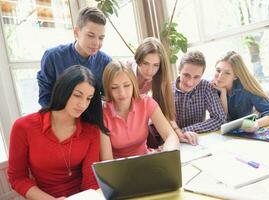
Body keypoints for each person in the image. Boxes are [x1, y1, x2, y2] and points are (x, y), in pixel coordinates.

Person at [8, 65, 108, 199]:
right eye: (77, 95)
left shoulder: (91, 130)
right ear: (63, 91)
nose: (83, 104)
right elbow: (17, 178)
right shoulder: (23, 126)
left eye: (88, 98)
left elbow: (89, 180)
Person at [101, 60, 179, 159]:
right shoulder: (102, 114)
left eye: (126, 85)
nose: (122, 93)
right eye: (114, 87)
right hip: (119, 169)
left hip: (147, 161)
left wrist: (168, 155)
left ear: (133, 84)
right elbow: (107, 161)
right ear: (107, 88)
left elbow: (170, 135)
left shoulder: (146, 102)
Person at [37, 6, 111, 108]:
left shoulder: (106, 62)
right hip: (60, 117)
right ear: (77, 32)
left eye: (101, 38)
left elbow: (108, 97)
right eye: (90, 35)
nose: (96, 43)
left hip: (91, 120)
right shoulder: (53, 57)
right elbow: (45, 97)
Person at [130, 37, 197, 145]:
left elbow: (164, 107)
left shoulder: (157, 77)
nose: (150, 70)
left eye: (155, 65)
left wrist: (177, 131)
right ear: (138, 59)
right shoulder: (126, 72)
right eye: (145, 63)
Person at [211, 51, 269, 132]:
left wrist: (256, 123)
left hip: (245, 133)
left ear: (235, 76)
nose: (220, 76)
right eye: (218, 70)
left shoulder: (246, 88)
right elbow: (221, 121)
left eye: (227, 73)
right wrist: (223, 94)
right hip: (222, 135)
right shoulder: (211, 88)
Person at [172, 50, 226, 135]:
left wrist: (185, 131)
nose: (190, 82)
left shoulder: (206, 87)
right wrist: (179, 133)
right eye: (186, 75)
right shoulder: (166, 90)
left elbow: (219, 119)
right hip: (173, 138)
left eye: (196, 77)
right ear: (179, 70)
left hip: (198, 139)